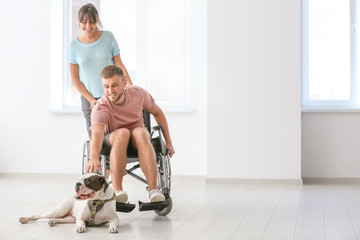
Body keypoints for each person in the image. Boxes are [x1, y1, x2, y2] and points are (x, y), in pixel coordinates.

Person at [87, 65, 175, 203]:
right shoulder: (101, 106)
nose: (110, 91)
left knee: (141, 132)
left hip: (138, 142)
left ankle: (154, 190)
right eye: (106, 86)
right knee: (122, 133)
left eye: (115, 85)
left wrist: (169, 142)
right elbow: (97, 134)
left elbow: (158, 113)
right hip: (112, 143)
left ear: (124, 82)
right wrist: (93, 157)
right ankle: (117, 191)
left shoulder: (138, 93)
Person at [69, 3, 133, 136]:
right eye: (84, 22)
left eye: (92, 22)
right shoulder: (74, 46)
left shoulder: (108, 37)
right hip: (90, 99)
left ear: (97, 20)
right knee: (96, 141)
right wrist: (91, 100)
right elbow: (75, 78)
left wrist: (131, 87)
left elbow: (119, 64)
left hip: (112, 95)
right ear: (78, 21)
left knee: (117, 137)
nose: (88, 26)